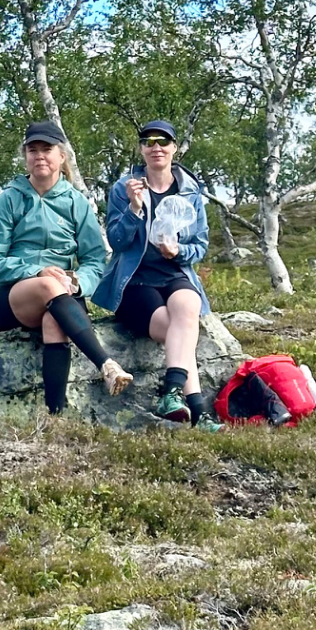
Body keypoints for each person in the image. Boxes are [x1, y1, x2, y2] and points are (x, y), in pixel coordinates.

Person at [0, 121, 132, 414]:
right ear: (25, 156)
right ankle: (106, 363)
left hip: (62, 296)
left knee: (54, 321)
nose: (39, 156)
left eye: (46, 149)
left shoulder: (76, 202)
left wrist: (76, 282)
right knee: (49, 284)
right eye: (32, 150)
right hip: (14, 298)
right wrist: (36, 271)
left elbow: (95, 260)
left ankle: (55, 414)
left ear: (61, 156)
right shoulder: (10, 199)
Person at [94, 120, 214, 426]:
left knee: (188, 307)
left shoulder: (191, 192)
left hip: (174, 273)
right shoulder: (125, 189)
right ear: (141, 149)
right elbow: (118, 242)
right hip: (135, 279)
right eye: (148, 141)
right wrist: (134, 209)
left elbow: (199, 245)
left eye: (163, 141)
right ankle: (199, 411)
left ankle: (172, 392)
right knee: (178, 333)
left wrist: (178, 252)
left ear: (174, 147)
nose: (156, 147)